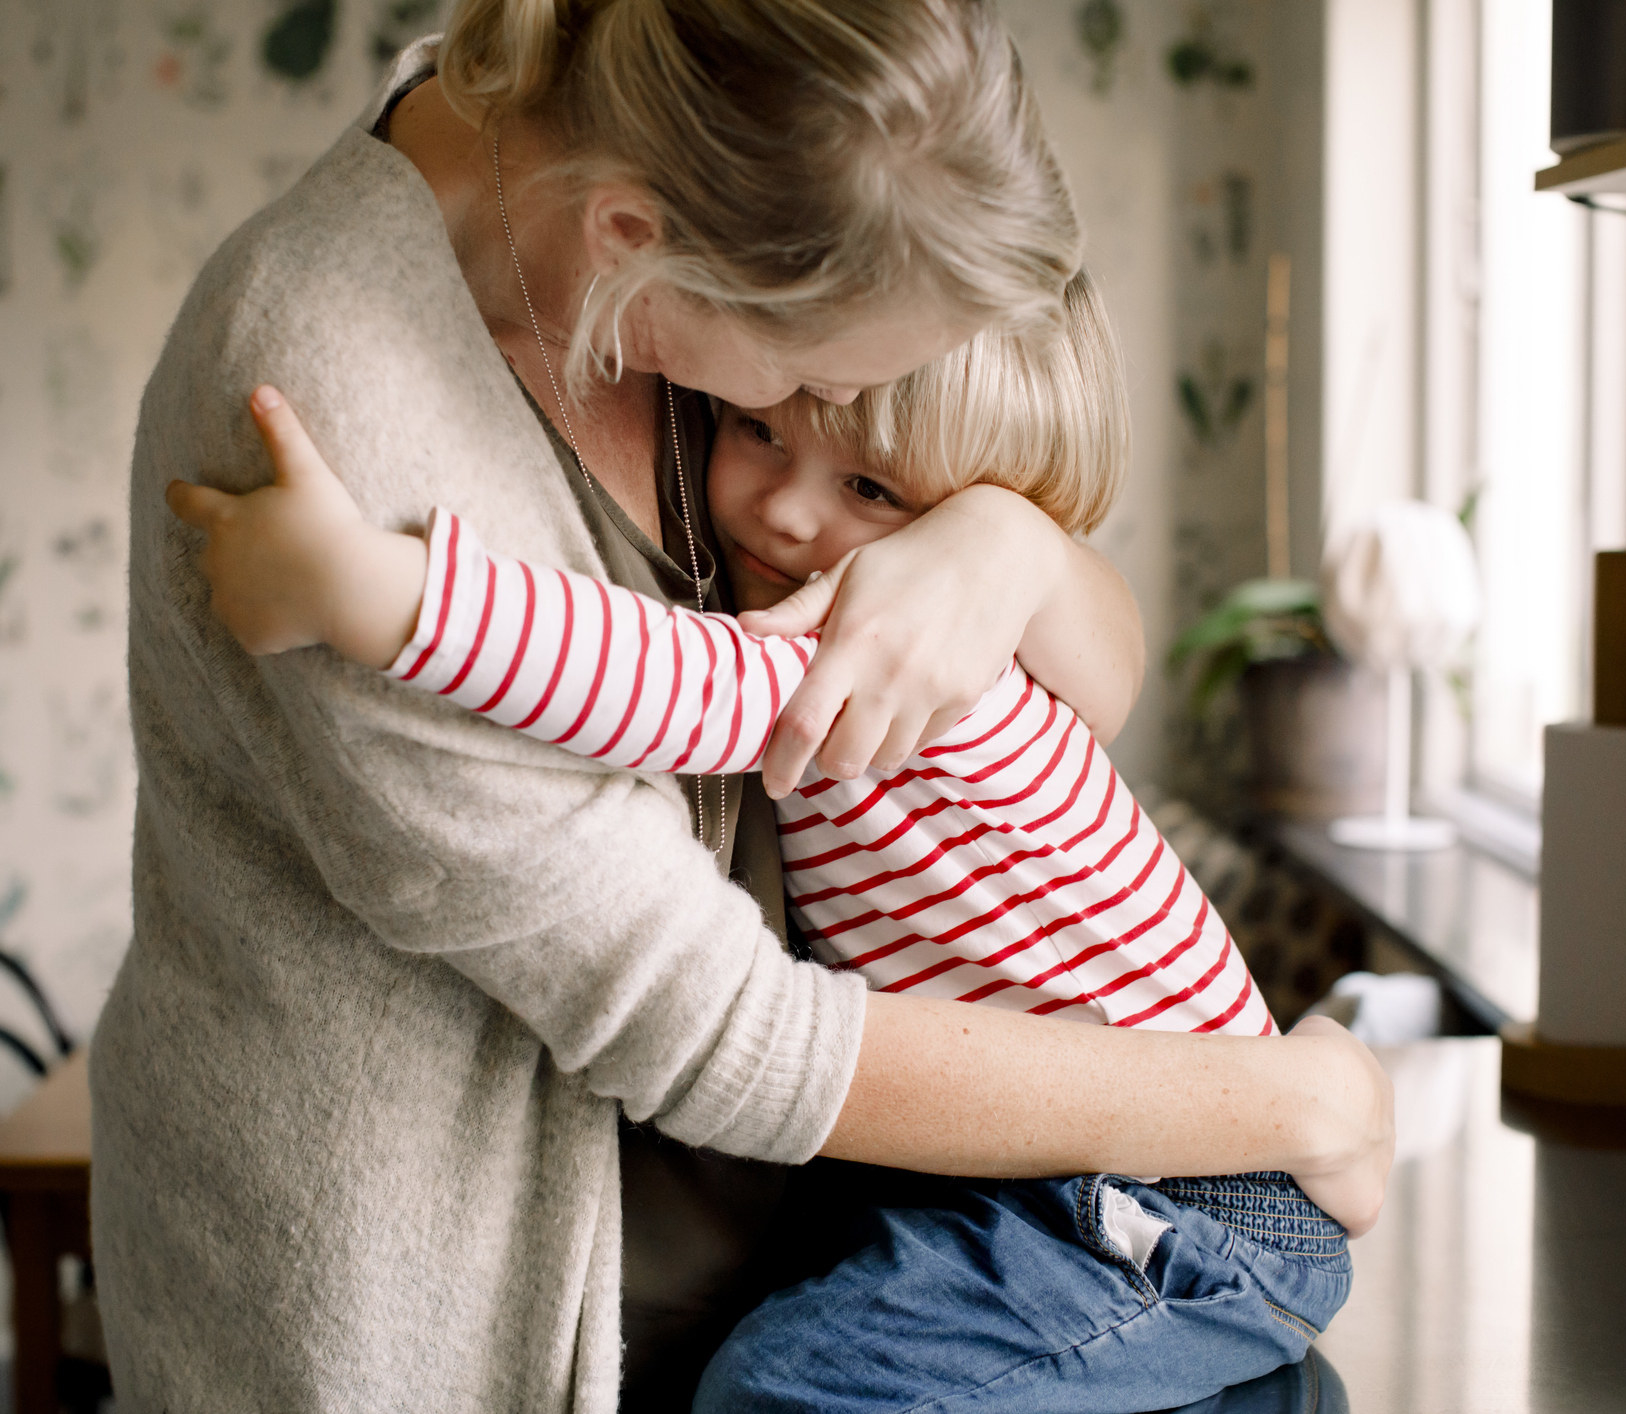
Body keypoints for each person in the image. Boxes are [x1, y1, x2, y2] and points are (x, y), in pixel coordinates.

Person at [89, 4, 1393, 1411]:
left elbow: (1100, 667)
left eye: (876, 469)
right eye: (800, 389)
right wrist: (1289, 1103)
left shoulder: (659, 232)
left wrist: (1005, 546)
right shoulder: (337, 392)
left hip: (897, 1244)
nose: (808, 441)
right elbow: (714, 1018)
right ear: (633, 243)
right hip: (413, 1333)